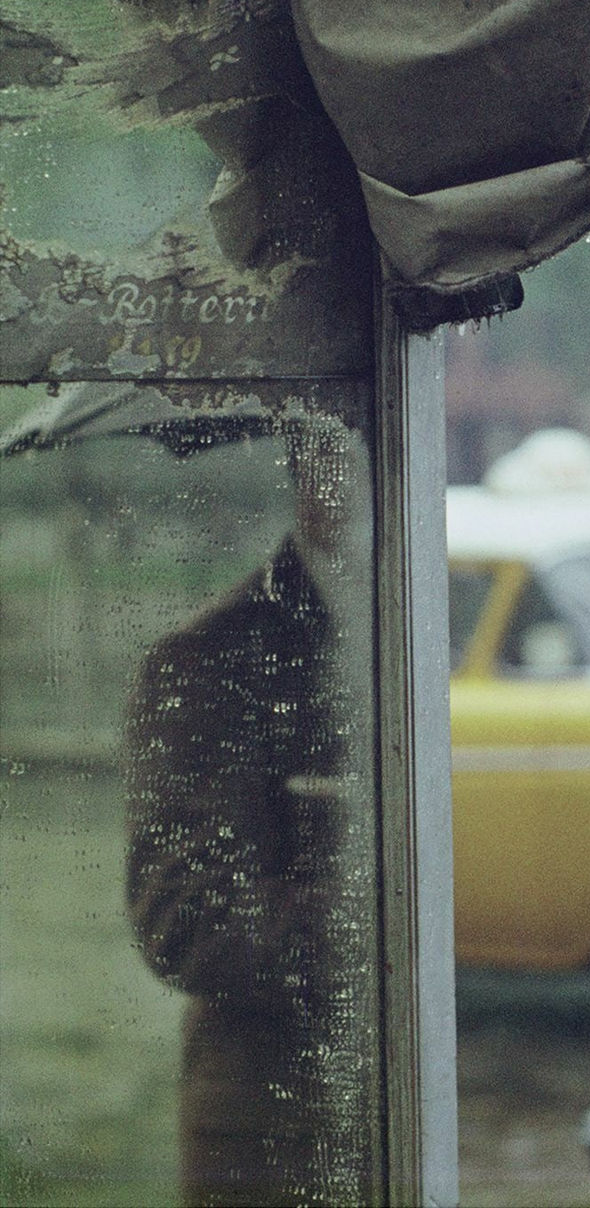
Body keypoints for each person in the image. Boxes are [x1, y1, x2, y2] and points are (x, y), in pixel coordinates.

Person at [124, 418, 378, 1207]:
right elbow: (184, 920)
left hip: (410, 1105)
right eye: (375, 459)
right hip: (274, 1133)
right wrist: (375, 916)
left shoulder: (423, 626)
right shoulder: (210, 658)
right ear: (317, 477)